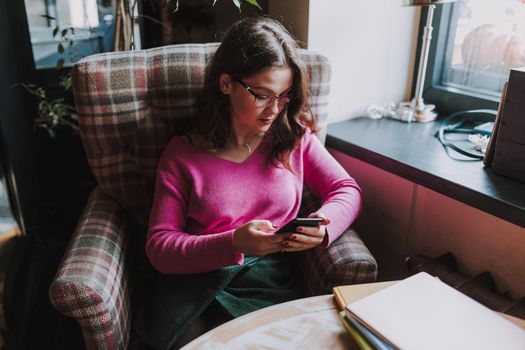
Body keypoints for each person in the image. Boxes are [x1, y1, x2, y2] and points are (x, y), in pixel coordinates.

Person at [144, 16, 362, 347]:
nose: (274, 109)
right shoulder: (182, 155)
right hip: (199, 288)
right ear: (226, 83)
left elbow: (347, 190)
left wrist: (323, 224)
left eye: (284, 95)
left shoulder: (292, 139)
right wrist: (233, 243)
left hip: (270, 284)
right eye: (262, 95)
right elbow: (160, 247)